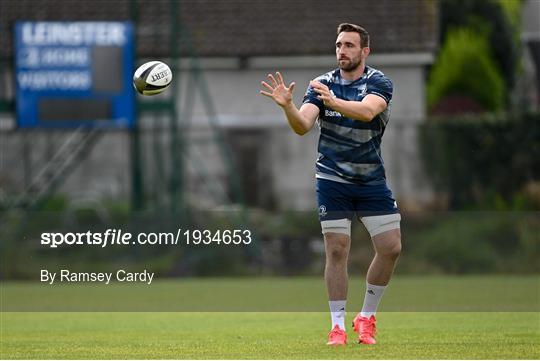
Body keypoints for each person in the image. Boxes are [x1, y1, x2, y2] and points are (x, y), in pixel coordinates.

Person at [260, 23, 402, 346]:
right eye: (339, 45)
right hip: (332, 179)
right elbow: (303, 125)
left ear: (365, 51)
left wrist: (334, 103)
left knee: (391, 246)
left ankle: (366, 317)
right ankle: (337, 326)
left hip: (370, 179)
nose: (342, 51)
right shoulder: (321, 85)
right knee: (337, 250)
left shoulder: (378, 82)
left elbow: (367, 112)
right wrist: (289, 108)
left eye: (350, 45)